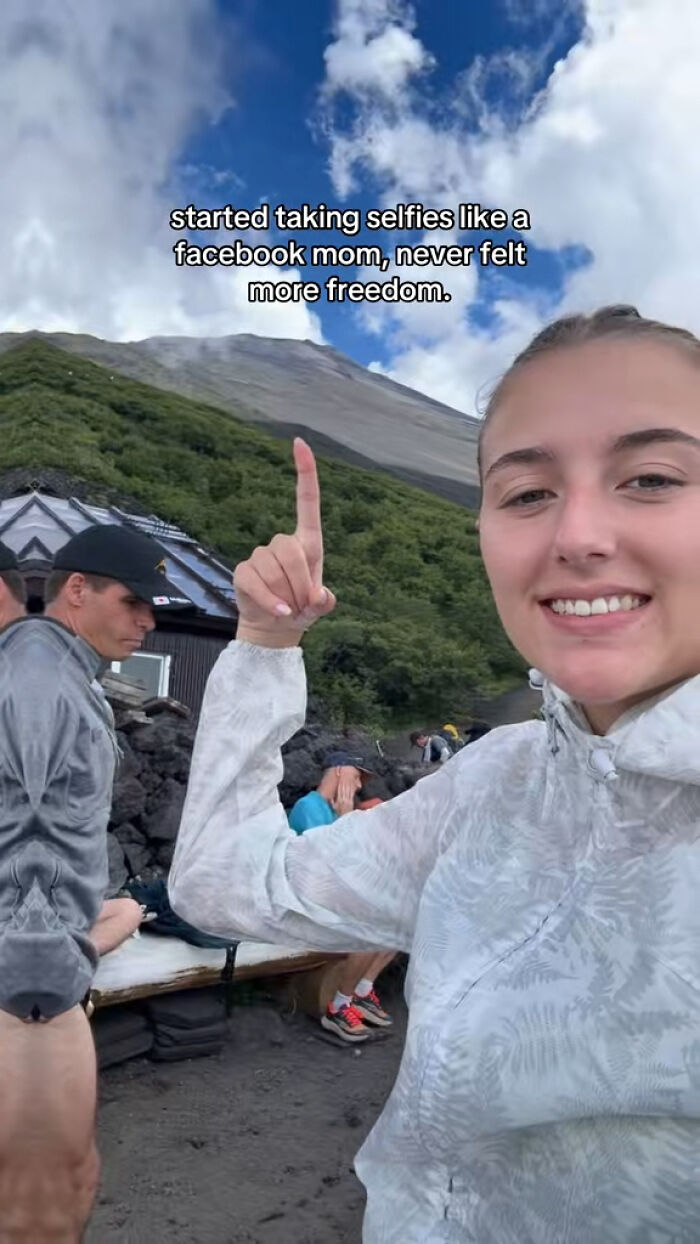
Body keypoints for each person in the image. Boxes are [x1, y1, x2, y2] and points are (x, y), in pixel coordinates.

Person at [170, 304, 700, 1242]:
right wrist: (262, 642)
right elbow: (221, 886)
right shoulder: (493, 783)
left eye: (651, 478)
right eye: (526, 493)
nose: (576, 533)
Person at [0, 524, 178, 1241]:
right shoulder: (43, 680)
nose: (148, 622)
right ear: (77, 590)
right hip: (29, 989)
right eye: (134, 602)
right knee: (44, 1201)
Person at [288, 751, 395, 1041]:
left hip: (330, 900)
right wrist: (346, 818)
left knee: (400, 922)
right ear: (339, 771)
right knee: (368, 933)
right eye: (357, 776)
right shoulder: (308, 806)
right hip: (306, 905)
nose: (359, 786)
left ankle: (359, 991)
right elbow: (328, 866)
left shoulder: (335, 810)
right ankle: (339, 1008)